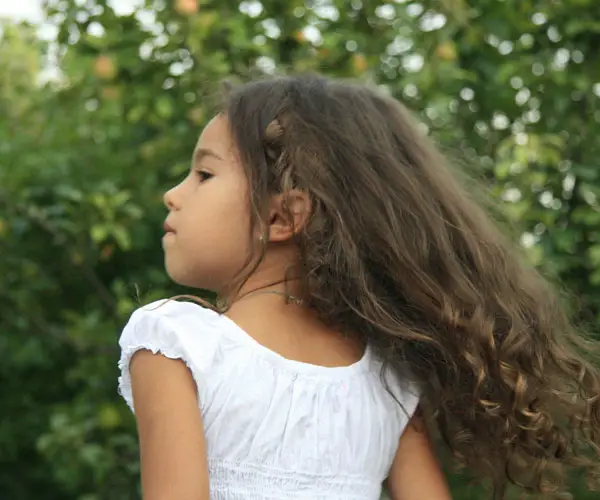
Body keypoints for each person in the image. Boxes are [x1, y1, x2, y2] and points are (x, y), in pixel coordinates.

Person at [117, 74, 600, 500]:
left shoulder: (176, 345)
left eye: (203, 173)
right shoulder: (387, 380)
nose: (173, 193)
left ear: (282, 215)